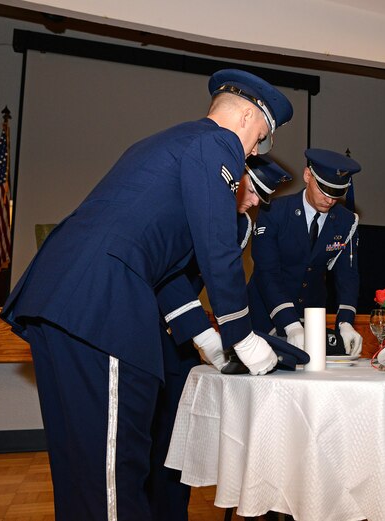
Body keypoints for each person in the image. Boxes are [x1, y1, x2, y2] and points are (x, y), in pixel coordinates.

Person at [0, 68, 293, 521]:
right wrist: (241, 334)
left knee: (84, 473)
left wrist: (208, 339)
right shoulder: (217, 143)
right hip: (106, 306)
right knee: (116, 480)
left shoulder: (167, 144)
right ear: (246, 119)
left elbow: (161, 270)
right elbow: (217, 246)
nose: (254, 151)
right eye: (261, 138)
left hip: (65, 299)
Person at [147, 157, 292, 521]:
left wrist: (229, 337)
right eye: (254, 190)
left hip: (181, 335)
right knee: (139, 437)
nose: (257, 202)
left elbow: (221, 283)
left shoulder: (240, 225)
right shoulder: (186, 207)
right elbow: (165, 275)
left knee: (173, 435)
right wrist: (204, 334)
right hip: (147, 322)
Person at [247, 148, 364, 356]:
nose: (329, 200)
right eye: (324, 190)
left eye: (337, 193)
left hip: (310, 318)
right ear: (307, 176)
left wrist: (345, 321)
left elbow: (348, 275)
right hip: (264, 316)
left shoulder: (347, 222)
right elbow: (267, 273)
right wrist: (290, 324)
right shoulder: (274, 213)